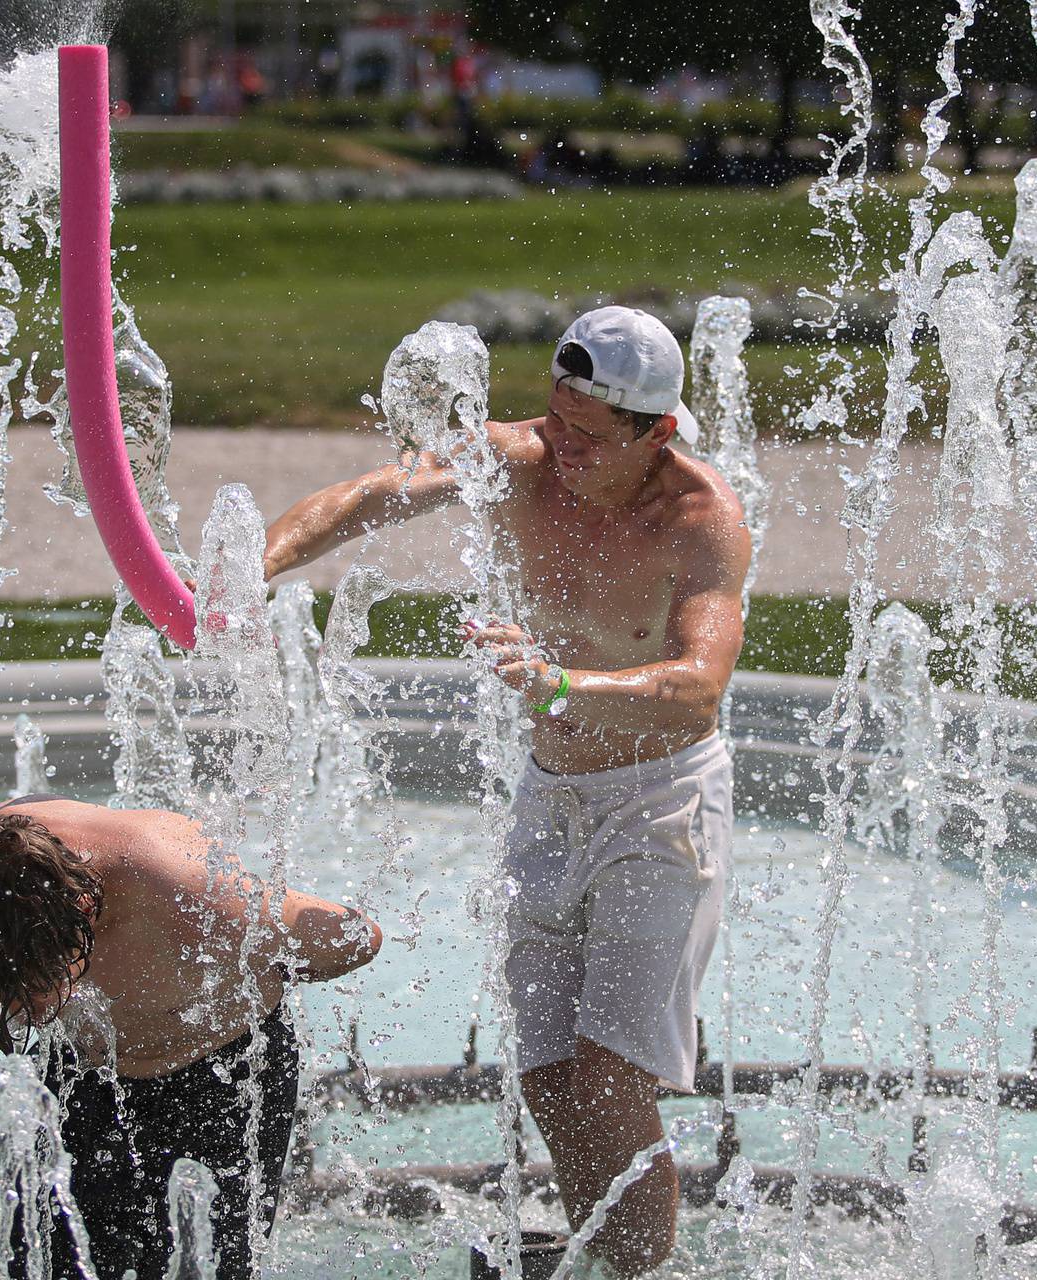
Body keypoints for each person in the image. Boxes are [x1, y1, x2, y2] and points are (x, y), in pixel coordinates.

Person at [259, 307, 751, 1275]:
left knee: (613, 1076)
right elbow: (363, 498)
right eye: (554, 418)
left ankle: (639, 1273)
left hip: (661, 803)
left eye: (586, 437)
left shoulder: (701, 520)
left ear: (659, 432)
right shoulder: (519, 457)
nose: (555, 445)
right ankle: (600, 1256)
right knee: (552, 1078)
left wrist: (565, 683)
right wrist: (243, 570)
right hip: (551, 793)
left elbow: (700, 680)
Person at [0, 794, 382, 1280]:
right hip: (83, 1073)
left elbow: (357, 937)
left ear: (87, 909)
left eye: (37, 985)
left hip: (224, 1079)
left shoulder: (185, 888)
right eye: (1, 990)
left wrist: (248, 961)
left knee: (215, 1268)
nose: (19, 1014)